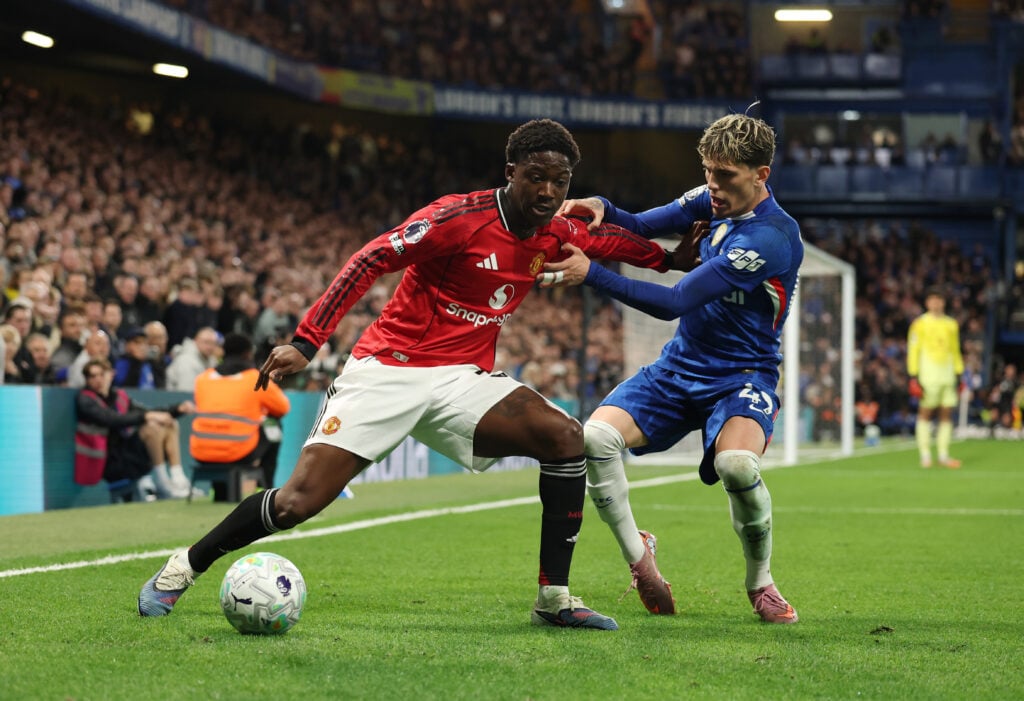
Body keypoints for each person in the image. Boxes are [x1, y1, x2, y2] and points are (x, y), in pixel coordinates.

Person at [138, 118, 682, 630]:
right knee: (296, 503)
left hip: (462, 380)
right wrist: (307, 341)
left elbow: (642, 251)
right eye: (535, 177)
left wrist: (701, 249)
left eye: (559, 182)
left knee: (565, 437)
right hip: (388, 371)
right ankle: (184, 565)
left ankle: (554, 599)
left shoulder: (558, 232)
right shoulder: (458, 218)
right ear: (510, 172)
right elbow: (369, 258)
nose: (546, 192)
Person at [546, 112, 802, 624]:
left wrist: (591, 273)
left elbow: (675, 302)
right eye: (708, 170)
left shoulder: (771, 239)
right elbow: (640, 224)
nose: (713, 185)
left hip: (743, 375)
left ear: (761, 175)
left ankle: (761, 583)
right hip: (679, 369)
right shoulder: (708, 199)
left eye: (725, 175)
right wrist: (603, 206)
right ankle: (641, 561)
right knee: (595, 437)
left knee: (737, 466)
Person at [75, 358, 195, 502]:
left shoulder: (119, 397)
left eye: (101, 374)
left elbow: (147, 413)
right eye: (92, 376)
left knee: (170, 423)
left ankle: (178, 478)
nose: (98, 380)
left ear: (111, 375)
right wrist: (147, 415)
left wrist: (177, 409)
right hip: (111, 461)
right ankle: (163, 483)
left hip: (130, 455)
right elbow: (112, 419)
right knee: (152, 428)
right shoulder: (85, 399)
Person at [190, 332, 290, 496]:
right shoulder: (255, 378)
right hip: (238, 451)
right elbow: (283, 408)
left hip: (200, 451)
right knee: (274, 425)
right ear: (248, 354)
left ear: (222, 352)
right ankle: (266, 489)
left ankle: (221, 493)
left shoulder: (203, 379)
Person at [906, 287, 965, 468]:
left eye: (938, 299)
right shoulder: (919, 324)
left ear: (943, 302)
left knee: (946, 414)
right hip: (928, 376)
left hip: (948, 375)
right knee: (925, 413)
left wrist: (959, 372)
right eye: (932, 299)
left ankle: (943, 455)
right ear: (927, 303)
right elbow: (913, 350)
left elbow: (955, 350)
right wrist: (914, 375)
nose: (935, 303)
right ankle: (925, 454)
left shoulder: (951, 324)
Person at [165, 326, 221, 391]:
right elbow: (186, 393)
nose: (210, 347)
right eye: (206, 342)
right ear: (196, 341)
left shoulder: (211, 361)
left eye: (213, 343)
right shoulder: (186, 360)